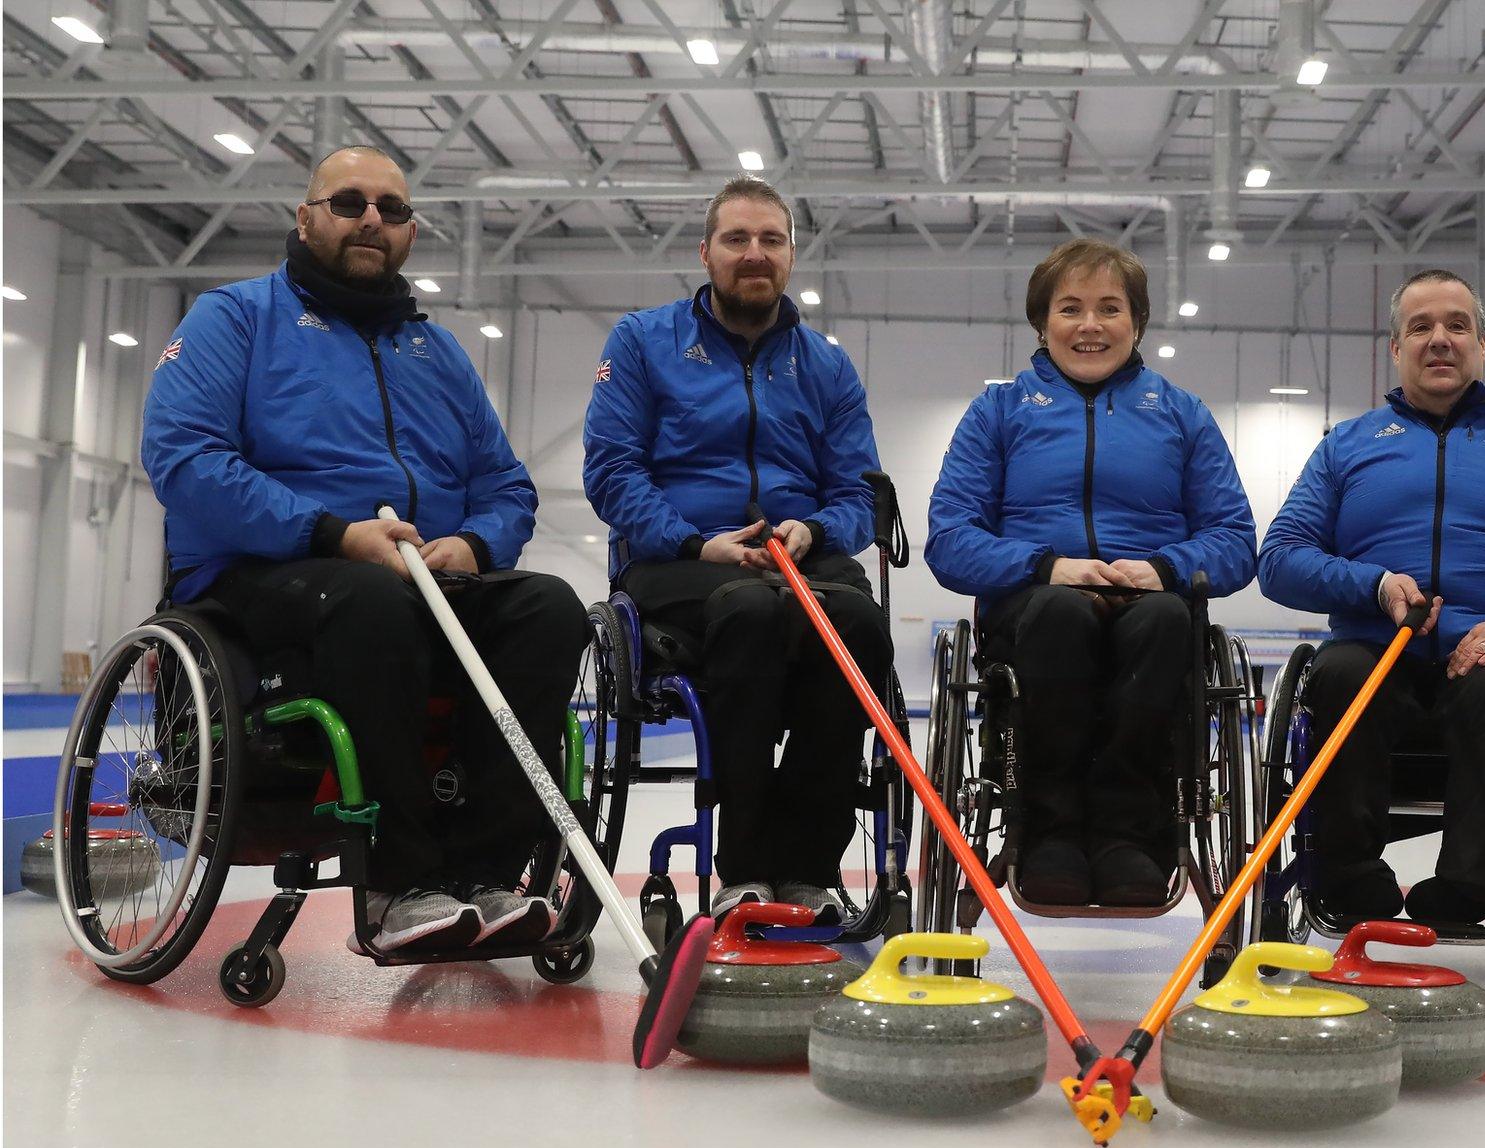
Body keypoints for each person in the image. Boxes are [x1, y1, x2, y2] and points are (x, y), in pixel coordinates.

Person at [141, 146, 586, 953]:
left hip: (423, 575)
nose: (372, 219)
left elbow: (507, 484)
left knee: (548, 606)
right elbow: (185, 458)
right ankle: (398, 883)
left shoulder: (438, 354)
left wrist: (476, 544)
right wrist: (332, 534)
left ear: (411, 231)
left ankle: (488, 875)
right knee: (372, 601)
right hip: (265, 573)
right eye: (348, 203)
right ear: (305, 218)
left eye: (393, 208)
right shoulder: (234, 318)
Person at [1258, 269, 1485, 925]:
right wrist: (1371, 584)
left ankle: (1468, 887)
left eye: (1456, 325)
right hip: (1377, 650)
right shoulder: (1345, 448)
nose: (1439, 339)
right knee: (1336, 674)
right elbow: (1279, 560)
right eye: (1420, 327)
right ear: (1395, 350)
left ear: (1482, 345)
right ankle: (1350, 881)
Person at [583, 176, 887, 922]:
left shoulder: (826, 365)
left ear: (791, 256)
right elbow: (613, 471)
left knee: (855, 621)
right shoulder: (642, 341)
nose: (755, 254)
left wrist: (814, 528)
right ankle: (744, 869)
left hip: (802, 560)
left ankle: (810, 868)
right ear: (707, 252)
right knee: (749, 612)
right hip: (679, 561)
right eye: (737, 239)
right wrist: (696, 542)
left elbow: (858, 493)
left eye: (771, 240)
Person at [925, 238, 1257, 907]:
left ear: (1136, 323)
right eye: (1070, 308)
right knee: (1059, 611)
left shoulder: (1183, 415)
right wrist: (1047, 566)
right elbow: (950, 539)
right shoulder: (998, 413)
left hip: (1151, 604)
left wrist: (1164, 569)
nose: (1090, 325)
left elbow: (1235, 540)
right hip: (1035, 608)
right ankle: (1048, 831)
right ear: (1042, 323)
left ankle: (1130, 836)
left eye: (1110, 308)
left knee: (1166, 619)